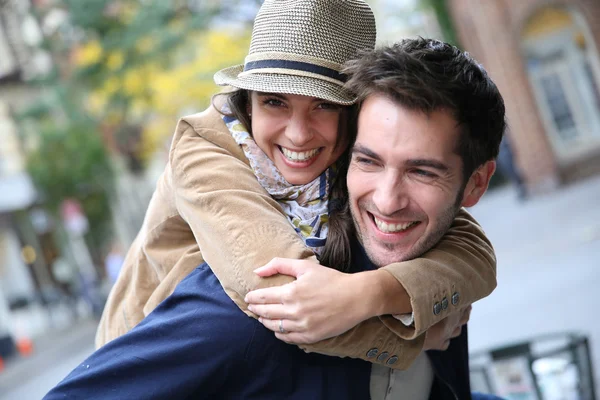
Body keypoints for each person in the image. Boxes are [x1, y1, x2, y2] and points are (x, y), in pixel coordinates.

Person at [44, 38, 506, 400]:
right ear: (248, 101)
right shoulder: (207, 160)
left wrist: (382, 294)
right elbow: (287, 302)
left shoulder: (414, 250)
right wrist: (412, 332)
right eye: (274, 102)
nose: (387, 200)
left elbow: (473, 254)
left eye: (324, 105)